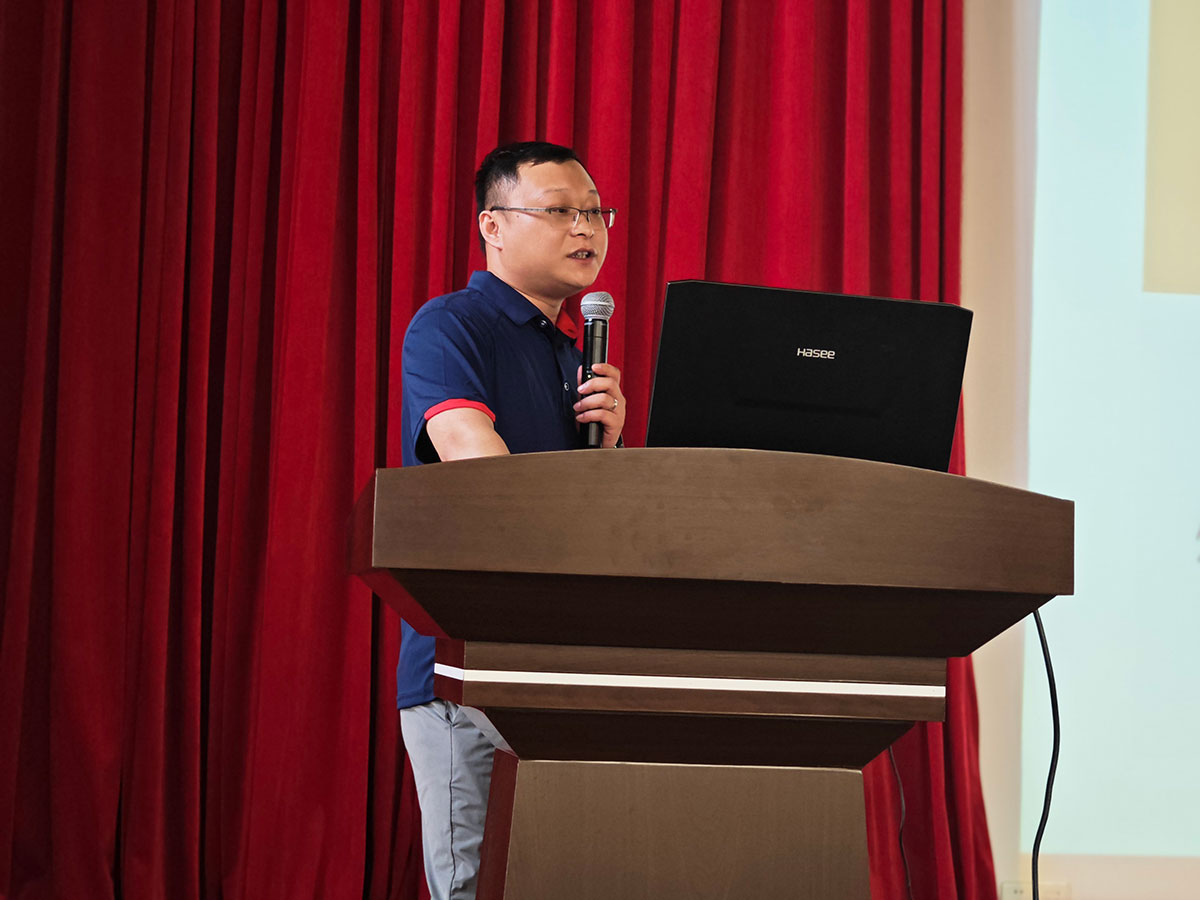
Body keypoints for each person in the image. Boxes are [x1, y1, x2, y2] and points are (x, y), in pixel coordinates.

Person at [397, 141, 625, 900]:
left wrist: (610, 454)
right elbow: (479, 468)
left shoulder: (575, 355)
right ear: (492, 226)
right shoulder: (452, 324)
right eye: (559, 210)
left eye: (595, 212)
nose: (584, 228)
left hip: (558, 662)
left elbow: (598, 527)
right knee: (474, 886)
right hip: (467, 665)